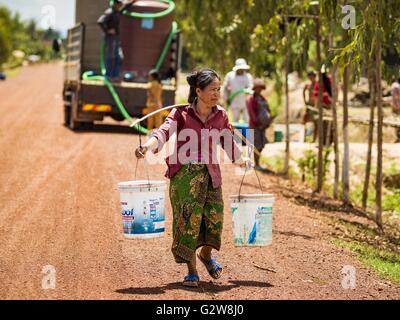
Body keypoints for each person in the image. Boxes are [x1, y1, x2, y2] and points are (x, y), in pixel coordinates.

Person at [135, 68, 252, 287]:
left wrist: (242, 160)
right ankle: (192, 271)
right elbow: (162, 131)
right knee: (188, 223)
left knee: (215, 222)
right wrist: (147, 147)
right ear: (198, 91)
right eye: (212, 89)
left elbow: (229, 143)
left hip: (211, 177)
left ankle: (206, 255)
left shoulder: (221, 116)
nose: (216, 94)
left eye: (218, 89)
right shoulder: (180, 114)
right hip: (184, 179)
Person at [97, 0, 137, 81]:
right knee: (111, 56)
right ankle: (109, 75)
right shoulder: (110, 13)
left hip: (116, 38)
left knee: (119, 57)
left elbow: (126, 6)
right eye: (119, 4)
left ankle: (115, 75)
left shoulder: (117, 12)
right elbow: (100, 21)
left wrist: (133, 1)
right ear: (115, 4)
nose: (120, 6)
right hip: (110, 38)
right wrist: (108, 30)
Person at [246, 78, 272, 171]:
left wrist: (268, 121)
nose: (259, 90)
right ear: (254, 88)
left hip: (262, 127)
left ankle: (257, 163)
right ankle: (255, 164)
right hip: (254, 126)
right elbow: (251, 112)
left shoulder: (262, 98)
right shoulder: (250, 99)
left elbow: (268, 110)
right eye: (257, 88)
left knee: (261, 145)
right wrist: (257, 122)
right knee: (255, 145)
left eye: (260, 88)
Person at [223, 58, 253, 123]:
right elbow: (225, 88)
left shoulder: (248, 76)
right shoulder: (230, 76)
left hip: (246, 102)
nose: (241, 70)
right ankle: (236, 133)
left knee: (247, 121)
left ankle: (248, 133)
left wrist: (247, 90)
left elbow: (250, 87)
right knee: (235, 122)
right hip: (234, 101)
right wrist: (226, 98)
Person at [312, 70, 334, 146]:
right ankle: (326, 142)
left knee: (324, 125)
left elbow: (316, 95)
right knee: (327, 125)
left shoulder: (321, 83)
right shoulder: (329, 81)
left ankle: (326, 142)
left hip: (324, 106)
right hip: (327, 106)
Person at [302, 70, 318, 142]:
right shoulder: (308, 85)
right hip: (309, 105)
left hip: (315, 106)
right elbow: (304, 91)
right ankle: (305, 138)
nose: (310, 78)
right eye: (309, 77)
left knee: (315, 122)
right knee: (305, 120)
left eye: (312, 77)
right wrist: (305, 100)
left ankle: (314, 139)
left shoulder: (317, 85)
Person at [390, 77, 400, 143]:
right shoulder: (397, 86)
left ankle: (398, 137)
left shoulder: (394, 86)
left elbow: (395, 96)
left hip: (395, 106)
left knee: (396, 121)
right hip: (397, 105)